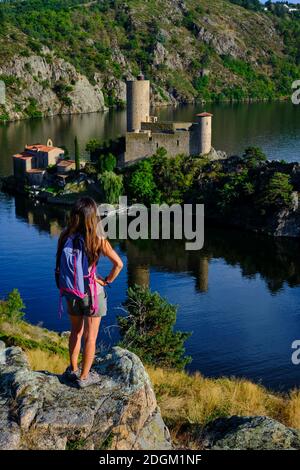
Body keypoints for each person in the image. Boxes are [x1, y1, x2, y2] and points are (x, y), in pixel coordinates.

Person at [56, 197, 123, 388]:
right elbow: (119, 264)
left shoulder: (64, 235)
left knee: (75, 333)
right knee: (90, 337)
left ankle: (73, 369)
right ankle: (85, 378)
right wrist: (106, 280)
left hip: (70, 292)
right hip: (92, 294)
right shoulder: (97, 237)